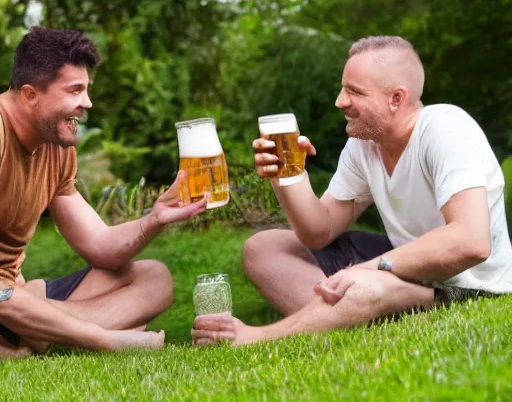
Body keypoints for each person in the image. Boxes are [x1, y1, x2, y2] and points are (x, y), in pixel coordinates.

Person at [192, 35, 512, 347]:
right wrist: (288, 177)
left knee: (361, 282)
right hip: (408, 265)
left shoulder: (445, 129)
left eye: (354, 92)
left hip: (465, 284)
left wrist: (369, 269)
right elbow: (320, 232)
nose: (340, 101)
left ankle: (262, 337)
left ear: (396, 99)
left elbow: (471, 242)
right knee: (264, 247)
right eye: (343, 89)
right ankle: (354, 316)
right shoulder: (364, 146)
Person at [0, 26, 207, 358]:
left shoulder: (56, 145)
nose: (87, 103)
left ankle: (33, 334)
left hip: (15, 296)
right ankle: (90, 336)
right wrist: (103, 336)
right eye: (75, 90)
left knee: (154, 279)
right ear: (29, 94)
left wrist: (154, 219)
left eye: (87, 89)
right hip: (4, 296)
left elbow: (99, 246)